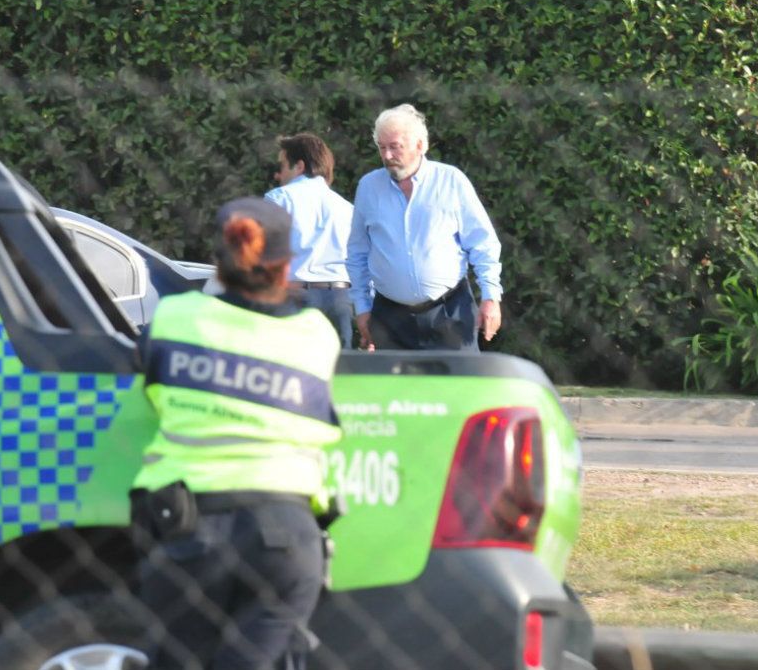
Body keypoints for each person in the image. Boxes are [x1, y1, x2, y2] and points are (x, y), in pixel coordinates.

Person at [130, 197, 342, 670]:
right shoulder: (317, 335)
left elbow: (147, 373)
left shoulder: (175, 318)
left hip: (188, 528)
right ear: (286, 268)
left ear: (219, 265)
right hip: (286, 538)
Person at [347, 104, 503, 351]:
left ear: (420, 145)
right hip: (390, 318)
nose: (387, 156)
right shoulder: (368, 187)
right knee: (396, 391)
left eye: (395, 147)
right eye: (382, 148)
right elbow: (357, 253)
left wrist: (491, 296)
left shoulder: (451, 181)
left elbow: (482, 243)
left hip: (449, 312)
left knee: (457, 389)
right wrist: (362, 308)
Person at [263, 133, 355, 349]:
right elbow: (361, 261)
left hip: (295, 297)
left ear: (299, 166)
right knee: (340, 375)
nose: (278, 174)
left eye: (283, 166)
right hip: (341, 299)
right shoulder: (347, 208)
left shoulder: (279, 198)